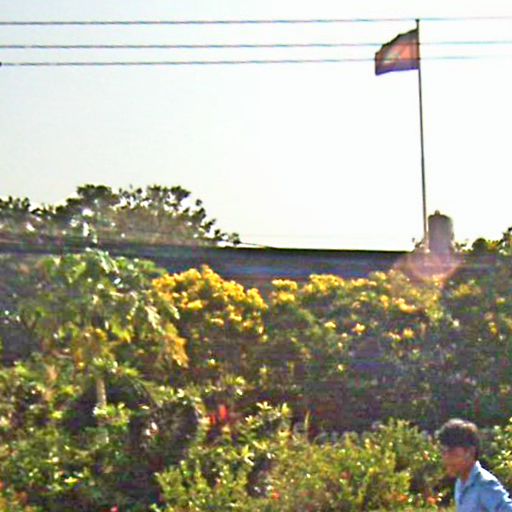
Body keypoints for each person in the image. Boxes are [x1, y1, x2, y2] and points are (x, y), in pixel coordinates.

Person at [437, 418, 512, 511]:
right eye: (443, 452)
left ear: (470, 452)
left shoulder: (484, 484)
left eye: (452, 452)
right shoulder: (461, 483)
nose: (446, 458)